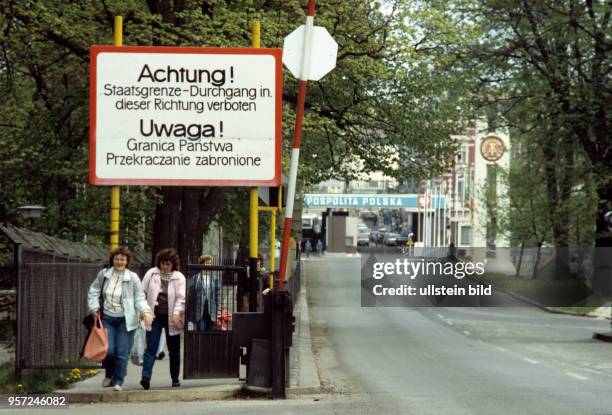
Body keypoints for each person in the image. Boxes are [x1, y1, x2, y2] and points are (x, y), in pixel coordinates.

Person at [87, 246, 153, 392]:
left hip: (126, 320)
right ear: (112, 260)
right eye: (117, 259)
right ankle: (109, 374)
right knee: (109, 350)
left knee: (122, 352)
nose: (119, 262)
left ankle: (118, 381)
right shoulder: (104, 274)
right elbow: (94, 290)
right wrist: (94, 308)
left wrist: (146, 311)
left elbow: (139, 297)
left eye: (122, 259)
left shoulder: (133, 277)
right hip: (108, 318)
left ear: (127, 261)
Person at [140, 249, 186, 389]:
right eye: (162, 263)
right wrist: (144, 310)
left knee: (174, 350)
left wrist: (177, 312)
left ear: (173, 264)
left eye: (167, 264)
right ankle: (145, 377)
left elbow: (181, 298)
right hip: (154, 316)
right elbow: (142, 292)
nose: (164, 266)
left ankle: (175, 378)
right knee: (152, 347)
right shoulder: (151, 273)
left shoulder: (179, 277)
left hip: (172, 317)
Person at [189, 254, 221, 331]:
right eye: (207, 263)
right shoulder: (195, 278)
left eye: (210, 263)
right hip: (199, 309)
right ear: (202, 264)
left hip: (211, 309)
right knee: (201, 330)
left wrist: (218, 309)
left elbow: (218, 294)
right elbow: (192, 294)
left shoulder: (214, 278)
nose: (209, 265)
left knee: (210, 331)